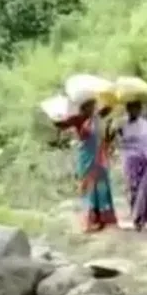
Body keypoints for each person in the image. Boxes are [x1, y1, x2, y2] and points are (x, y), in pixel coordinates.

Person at [56, 99, 118, 233]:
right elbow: (62, 125)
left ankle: (102, 218)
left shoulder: (96, 118)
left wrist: (112, 99)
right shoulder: (77, 119)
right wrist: (56, 118)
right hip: (86, 158)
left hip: (98, 157)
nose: (91, 109)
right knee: (89, 186)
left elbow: (107, 109)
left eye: (93, 106)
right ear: (83, 107)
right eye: (89, 106)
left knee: (101, 186)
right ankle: (91, 219)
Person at [118, 100, 147, 231]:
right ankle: (137, 217)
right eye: (132, 109)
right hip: (132, 161)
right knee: (134, 189)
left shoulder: (145, 124)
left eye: (137, 109)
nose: (135, 111)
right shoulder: (122, 125)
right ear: (128, 109)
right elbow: (122, 142)